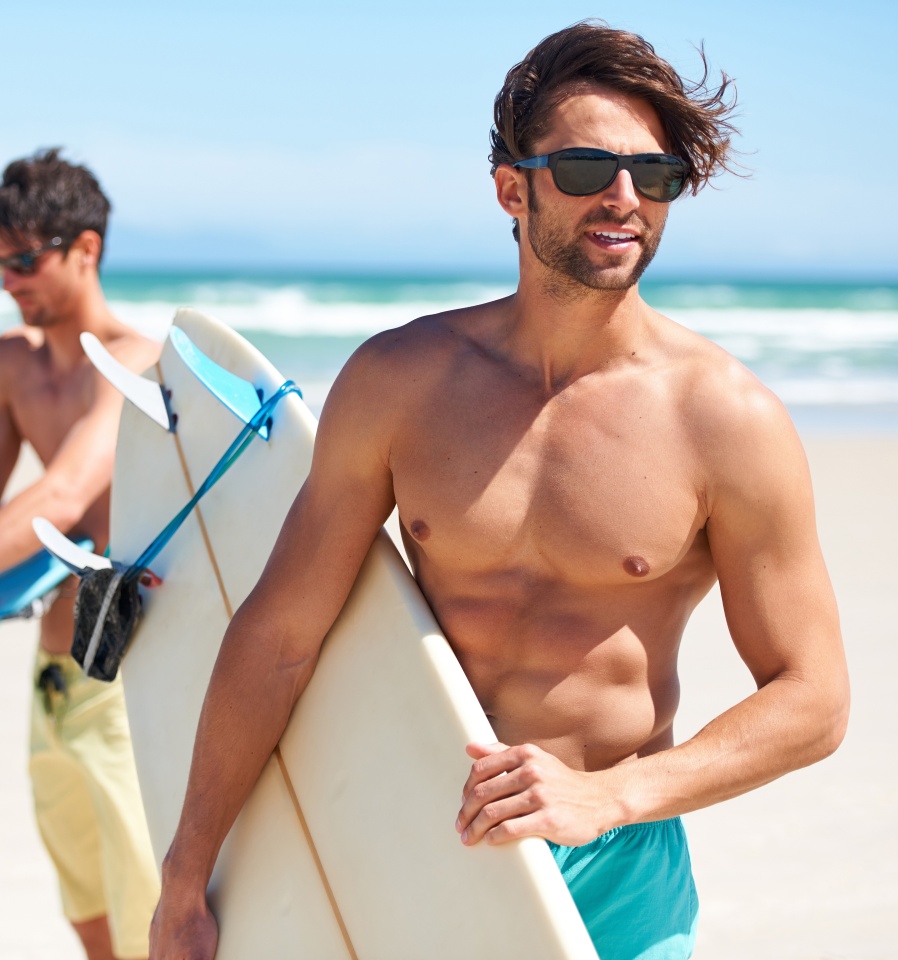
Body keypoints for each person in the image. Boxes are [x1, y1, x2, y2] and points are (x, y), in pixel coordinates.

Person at [150, 22, 849, 960]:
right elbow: (280, 634)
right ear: (510, 188)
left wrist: (611, 796)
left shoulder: (725, 421)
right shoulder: (401, 382)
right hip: (415, 842)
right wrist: (185, 877)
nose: (623, 196)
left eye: (655, 175)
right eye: (586, 167)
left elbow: (814, 697)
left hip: (618, 868)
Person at [0, 149, 162, 960]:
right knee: (87, 912)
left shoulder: (134, 360)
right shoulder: (11, 365)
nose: (9, 280)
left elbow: (62, 498)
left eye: (25, 259)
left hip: (123, 680)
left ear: (86, 249)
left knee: (145, 918)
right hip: (50, 674)